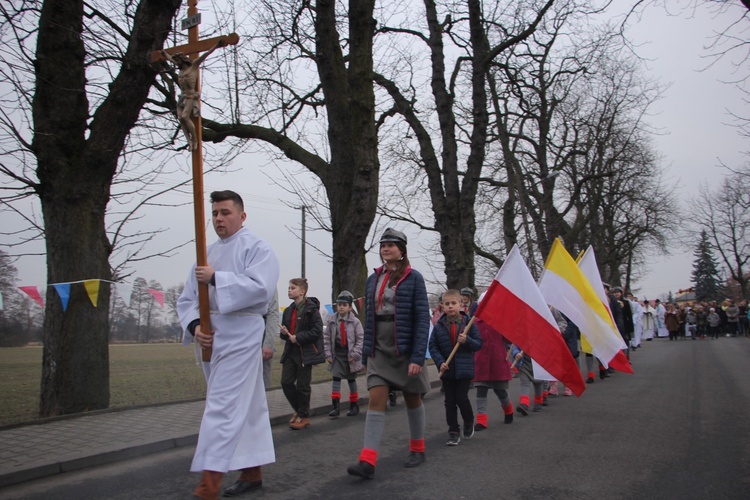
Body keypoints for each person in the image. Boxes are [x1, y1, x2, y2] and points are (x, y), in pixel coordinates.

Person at [177, 190, 279, 499]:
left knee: (221, 406)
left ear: (242, 215)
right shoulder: (205, 255)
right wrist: (195, 326)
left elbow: (261, 289)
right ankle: (252, 472)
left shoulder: (258, 248)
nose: (219, 219)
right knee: (246, 407)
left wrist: (217, 279)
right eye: (215, 214)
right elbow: (187, 300)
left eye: (225, 212)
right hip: (212, 338)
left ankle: (209, 485)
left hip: (242, 334)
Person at [347, 228, 431, 479]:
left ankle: (418, 448)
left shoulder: (414, 278)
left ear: (402, 250)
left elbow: (422, 320)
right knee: (376, 398)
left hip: (405, 348)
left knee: (412, 398)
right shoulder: (373, 279)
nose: (386, 248)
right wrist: (365, 353)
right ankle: (368, 461)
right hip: (379, 349)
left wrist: (417, 357)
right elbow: (369, 318)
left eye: (391, 245)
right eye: (383, 245)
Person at [429, 289, 483, 445]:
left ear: (461, 305)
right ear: (442, 307)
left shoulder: (469, 324)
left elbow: (478, 344)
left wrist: (467, 340)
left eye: (454, 303)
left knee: (461, 398)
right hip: (447, 369)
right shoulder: (439, 326)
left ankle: (468, 421)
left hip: (464, 369)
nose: (450, 306)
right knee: (449, 401)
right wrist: (440, 362)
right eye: (447, 304)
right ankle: (453, 431)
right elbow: (433, 347)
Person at [161, 40, 225, 150]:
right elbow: (170, 58)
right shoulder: (180, 69)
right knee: (180, 118)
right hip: (182, 97)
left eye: (178, 61)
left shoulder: (193, 66)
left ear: (182, 60)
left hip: (190, 96)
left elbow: (205, 54)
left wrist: (216, 45)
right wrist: (165, 54)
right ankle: (189, 141)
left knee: (185, 116)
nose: (176, 64)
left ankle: (195, 139)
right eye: (176, 62)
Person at [280, 278, 324, 430]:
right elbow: (285, 335)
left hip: (305, 352)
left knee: (303, 386)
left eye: (292, 288)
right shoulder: (288, 310)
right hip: (290, 352)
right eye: (289, 288)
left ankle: (303, 417)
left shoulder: (311, 309)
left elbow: (317, 331)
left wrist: (298, 337)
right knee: (286, 382)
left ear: (302, 291)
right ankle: (300, 411)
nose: (289, 290)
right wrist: (285, 333)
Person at [472, 306, 514, 430]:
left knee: (500, 391)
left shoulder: (499, 322)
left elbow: (509, 339)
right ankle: (481, 420)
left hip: (497, 362)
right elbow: (472, 340)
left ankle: (508, 410)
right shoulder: (474, 323)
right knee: (481, 390)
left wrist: (510, 330)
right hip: (481, 362)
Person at [324, 290, 364, 418]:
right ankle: (335, 406)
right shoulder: (331, 320)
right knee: (336, 378)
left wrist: (355, 354)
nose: (341, 307)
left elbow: (360, 339)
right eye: (339, 304)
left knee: (351, 379)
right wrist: (328, 354)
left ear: (350, 307)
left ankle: (354, 405)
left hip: (350, 355)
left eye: (344, 305)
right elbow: (326, 338)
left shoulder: (355, 322)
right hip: (337, 354)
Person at [262, 290, 280, 387]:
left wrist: (268, 343)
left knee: (263, 375)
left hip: (261, 335)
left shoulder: (268, 277)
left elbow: (272, 313)